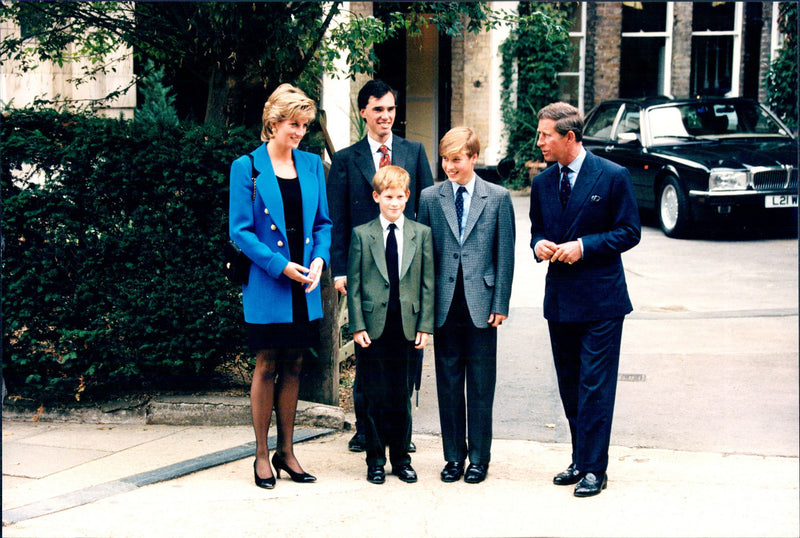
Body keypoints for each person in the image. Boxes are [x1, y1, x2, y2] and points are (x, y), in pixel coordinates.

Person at [528, 102, 641, 497]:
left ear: (569, 137)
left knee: (595, 385)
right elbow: (537, 230)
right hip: (560, 301)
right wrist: (539, 243)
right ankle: (580, 458)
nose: (539, 141)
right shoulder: (543, 184)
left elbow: (629, 232)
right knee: (570, 384)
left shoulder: (612, 176)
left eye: (545, 135)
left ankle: (595, 469)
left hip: (602, 302)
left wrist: (584, 246)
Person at [229, 83, 332, 489]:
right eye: (294, 124)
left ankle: (287, 451)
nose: (300, 132)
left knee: (295, 364)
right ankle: (260, 454)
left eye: (305, 125)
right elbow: (240, 231)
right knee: (267, 363)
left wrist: (320, 258)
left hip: (304, 281)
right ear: (273, 123)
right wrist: (279, 265)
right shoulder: (247, 166)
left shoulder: (310, 164)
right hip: (269, 280)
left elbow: (323, 223)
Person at [327, 79, 434, 453]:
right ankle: (365, 428)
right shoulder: (345, 160)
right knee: (367, 350)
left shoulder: (415, 152)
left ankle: (399, 432)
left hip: (405, 269)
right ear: (364, 113)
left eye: (390, 109)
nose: (385, 116)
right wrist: (339, 270)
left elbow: (428, 213)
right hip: (363, 270)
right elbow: (336, 219)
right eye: (378, 109)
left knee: (406, 356)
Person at [417, 127, 515, 484]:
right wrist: (424, 310)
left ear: (473, 158)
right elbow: (423, 258)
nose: (449, 166)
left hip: (482, 303)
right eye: (445, 159)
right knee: (447, 381)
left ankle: (479, 458)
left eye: (456, 159)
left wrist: (500, 301)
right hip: (444, 305)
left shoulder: (498, 198)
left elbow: (504, 254)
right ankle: (453, 457)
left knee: (480, 384)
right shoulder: (430, 197)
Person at [346, 165, 434, 484]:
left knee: (401, 395)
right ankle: (375, 460)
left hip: (406, 326)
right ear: (376, 197)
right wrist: (357, 325)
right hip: (372, 327)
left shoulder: (421, 234)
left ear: (407, 197)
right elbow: (354, 285)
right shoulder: (362, 234)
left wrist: (425, 326)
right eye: (388, 197)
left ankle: (401, 458)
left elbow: (427, 284)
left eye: (399, 197)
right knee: (373, 394)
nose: (394, 203)